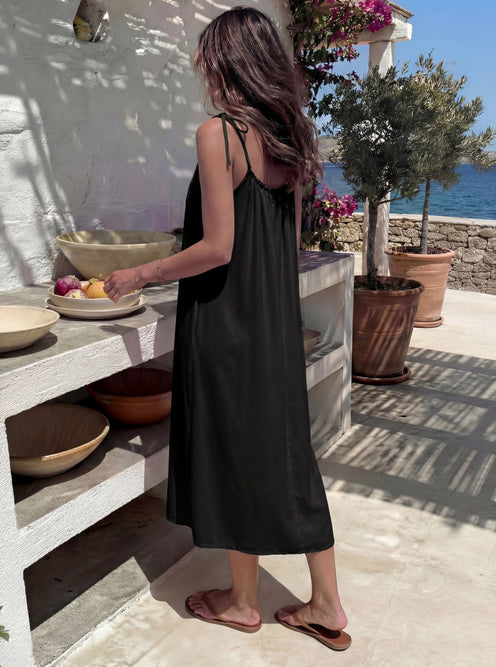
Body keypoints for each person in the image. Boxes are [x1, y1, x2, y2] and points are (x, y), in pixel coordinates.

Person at [103, 6, 350, 652]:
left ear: (230, 64)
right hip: (273, 322)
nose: (204, 73)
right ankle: (326, 601)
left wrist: (140, 272)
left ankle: (243, 602)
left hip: (225, 320)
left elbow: (217, 248)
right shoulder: (291, 139)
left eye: (209, 60)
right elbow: (284, 245)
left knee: (236, 455)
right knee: (288, 455)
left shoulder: (220, 135)